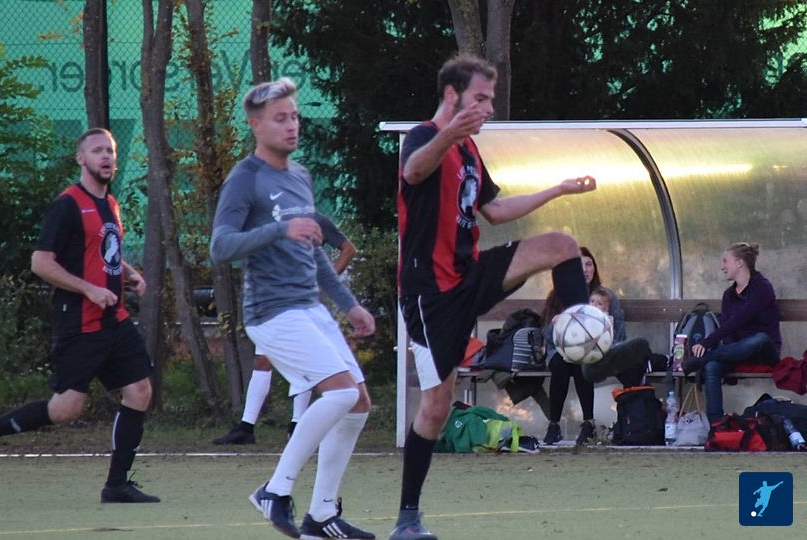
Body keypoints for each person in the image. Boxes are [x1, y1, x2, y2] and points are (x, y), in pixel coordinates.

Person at [392, 53, 596, 540]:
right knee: (436, 408)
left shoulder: (468, 151)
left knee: (562, 245)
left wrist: (558, 189)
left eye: (490, 99)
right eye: (480, 98)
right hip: (431, 295)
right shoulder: (424, 137)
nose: (488, 108)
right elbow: (414, 172)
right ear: (452, 95)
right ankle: (407, 519)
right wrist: (449, 132)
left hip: (470, 275)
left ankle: (583, 334)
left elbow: (496, 211)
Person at [210, 77, 377, 539]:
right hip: (272, 312)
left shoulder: (300, 176)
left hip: (310, 309)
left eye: (295, 116)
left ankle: (321, 515)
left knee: (359, 403)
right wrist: (279, 230)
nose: (292, 125)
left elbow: (314, 252)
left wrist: (349, 305)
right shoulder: (245, 178)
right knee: (340, 394)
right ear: (256, 125)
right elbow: (220, 246)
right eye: (280, 118)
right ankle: (275, 490)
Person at [0, 128, 159, 503]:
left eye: (110, 151)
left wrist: (129, 273)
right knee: (67, 408)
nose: (106, 157)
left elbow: (102, 253)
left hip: (113, 319)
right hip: (81, 322)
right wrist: (88, 289)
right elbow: (41, 263)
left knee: (140, 390)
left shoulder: (110, 204)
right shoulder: (68, 205)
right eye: (97, 151)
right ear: (81, 159)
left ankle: (117, 485)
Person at [213, 213, 357, 445]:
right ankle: (246, 427)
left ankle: (297, 424)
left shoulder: (316, 219)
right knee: (263, 360)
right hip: (275, 302)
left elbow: (348, 249)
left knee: (302, 361)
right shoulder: (270, 220)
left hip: (302, 304)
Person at [683, 242, 781, 421]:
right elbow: (728, 329)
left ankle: (703, 359)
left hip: (764, 352)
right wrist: (724, 352)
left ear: (739, 263)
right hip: (737, 352)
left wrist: (707, 343)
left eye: (725, 261)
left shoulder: (762, 287)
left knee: (759, 338)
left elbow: (740, 319)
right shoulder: (729, 295)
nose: (722, 267)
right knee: (712, 367)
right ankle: (716, 424)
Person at [541, 247, 625, 446]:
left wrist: (606, 335)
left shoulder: (605, 296)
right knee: (561, 364)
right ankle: (554, 425)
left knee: (582, 362)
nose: (585, 270)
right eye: (579, 266)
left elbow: (620, 332)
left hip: (597, 351)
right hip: (560, 351)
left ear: (595, 268)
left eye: (589, 264)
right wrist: (557, 324)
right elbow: (546, 333)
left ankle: (588, 423)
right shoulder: (559, 295)